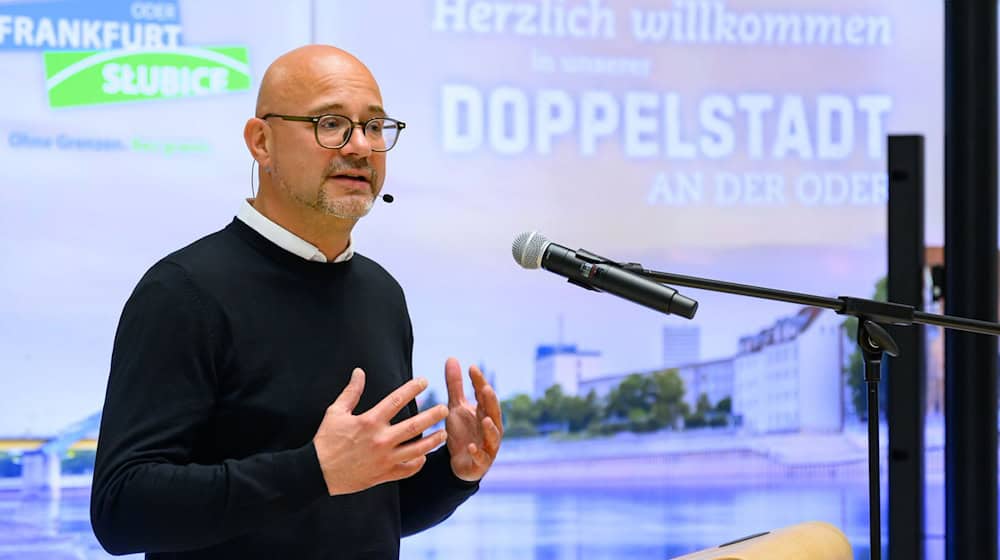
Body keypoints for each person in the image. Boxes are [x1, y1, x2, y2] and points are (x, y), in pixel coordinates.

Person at [90, 44, 503, 559]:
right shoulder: (183, 291)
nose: (360, 147)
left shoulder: (382, 294)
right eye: (331, 123)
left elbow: (371, 511)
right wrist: (316, 469)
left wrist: (455, 475)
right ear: (261, 142)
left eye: (375, 128)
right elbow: (121, 511)